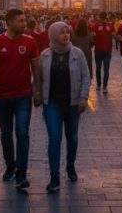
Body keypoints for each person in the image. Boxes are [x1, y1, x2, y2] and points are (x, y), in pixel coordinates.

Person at [0, 8, 41, 189]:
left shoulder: (30, 42)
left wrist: (37, 90)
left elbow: (36, 69)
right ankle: (10, 165)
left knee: (22, 133)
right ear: (9, 23)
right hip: (2, 96)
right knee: (6, 134)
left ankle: (21, 174)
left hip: (23, 95)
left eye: (24, 20)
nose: (24, 24)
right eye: (20, 21)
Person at [39, 21, 91, 193]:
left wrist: (83, 97)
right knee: (54, 138)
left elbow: (86, 76)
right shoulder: (45, 55)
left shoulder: (78, 53)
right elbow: (38, 77)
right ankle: (54, 176)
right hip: (52, 103)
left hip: (73, 102)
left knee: (72, 138)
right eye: (61, 33)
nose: (65, 35)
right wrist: (37, 93)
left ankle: (70, 165)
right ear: (53, 34)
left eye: (67, 32)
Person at [91, 12, 115, 94]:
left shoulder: (95, 25)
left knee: (98, 68)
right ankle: (104, 87)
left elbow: (92, 36)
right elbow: (114, 35)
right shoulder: (110, 25)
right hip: (107, 50)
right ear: (106, 17)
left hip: (98, 49)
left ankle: (98, 85)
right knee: (106, 69)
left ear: (99, 17)